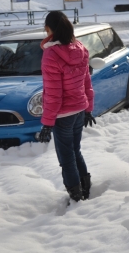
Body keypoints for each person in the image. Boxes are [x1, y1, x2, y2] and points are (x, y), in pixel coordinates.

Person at [37, 11, 97, 203]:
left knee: (66, 158)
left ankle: (76, 196)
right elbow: (87, 82)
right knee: (75, 150)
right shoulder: (79, 48)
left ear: (49, 29)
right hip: (79, 109)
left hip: (63, 115)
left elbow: (54, 94)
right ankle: (85, 187)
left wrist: (47, 123)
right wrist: (88, 110)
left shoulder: (51, 55)